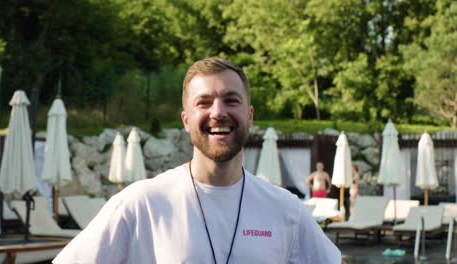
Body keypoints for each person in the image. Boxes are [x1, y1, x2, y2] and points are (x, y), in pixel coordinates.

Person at [53, 57, 340, 263]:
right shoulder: (142, 204)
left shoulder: (285, 209)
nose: (218, 112)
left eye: (231, 100)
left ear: (249, 115)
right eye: (204, 102)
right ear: (186, 120)